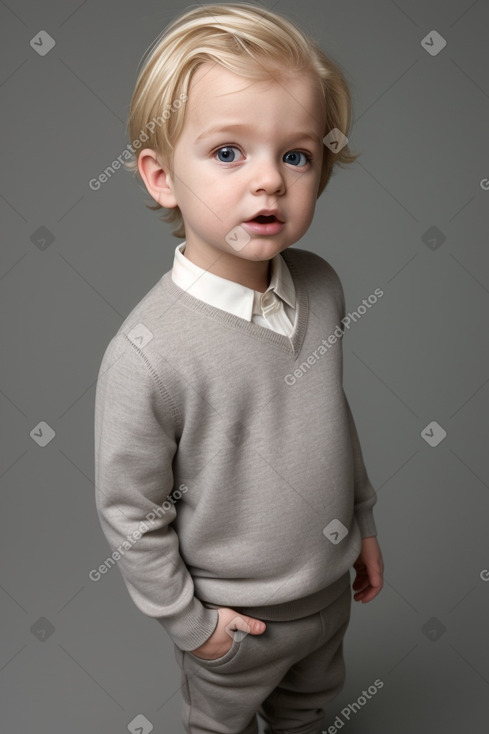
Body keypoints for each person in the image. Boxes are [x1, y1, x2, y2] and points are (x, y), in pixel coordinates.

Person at [94, 3, 384, 733]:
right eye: (228, 152)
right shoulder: (147, 354)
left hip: (326, 597)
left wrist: (362, 520)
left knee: (313, 716)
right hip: (238, 623)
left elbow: (327, 414)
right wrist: (194, 627)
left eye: (296, 155)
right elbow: (131, 512)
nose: (269, 182)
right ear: (161, 178)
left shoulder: (319, 285)